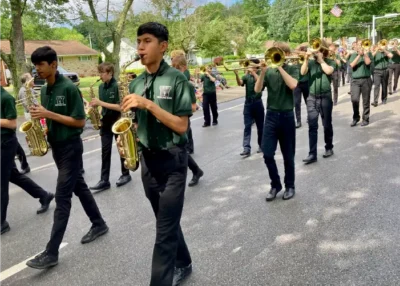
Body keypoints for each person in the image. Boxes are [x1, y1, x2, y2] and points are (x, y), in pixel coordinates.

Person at [121, 22, 193, 286]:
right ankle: (184, 261)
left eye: (147, 41)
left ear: (162, 47)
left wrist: (148, 104)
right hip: (148, 162)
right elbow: (137, 123)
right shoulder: (136, 83)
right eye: (139, 41)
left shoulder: (177, 79)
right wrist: (128, 139)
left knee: (163, 232)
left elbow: (181, 125)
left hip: (173, 160)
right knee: (165, 220)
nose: (140, 47)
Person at [26, 46, 108, 269]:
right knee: (79, 187)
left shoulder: (69, 89)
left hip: (71, 147)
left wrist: (48, 114)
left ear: (53, 64)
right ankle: (99, 223)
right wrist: (45, 128)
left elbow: (80, 122)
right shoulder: (44, 89)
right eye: (35, 66)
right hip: (57, 147)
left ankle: (51, 252)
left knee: (62, 198)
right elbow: (55, 119)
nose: (37, 70)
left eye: (41, 65)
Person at [0, 85, 54, 235]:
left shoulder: (5, 98)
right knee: (13, 175)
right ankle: (44, 195)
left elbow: (12, 124)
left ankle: (1, 222)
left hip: (5, 143)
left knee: (1, 182)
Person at [254, 42, 298, 202]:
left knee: (288, 156)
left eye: (279, 53)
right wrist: (262, 73)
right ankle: (275, 184)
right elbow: (257, 90)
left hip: (286, 116)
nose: (277, 56)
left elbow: (293, 84)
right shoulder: (269, 71)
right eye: (275, 53)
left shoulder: (292, 68)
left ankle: (290, 185)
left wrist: (280, 66)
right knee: (267, 154)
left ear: (285, 54)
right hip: (271, 116)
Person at [89, 63, 132, 192]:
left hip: (118, 120)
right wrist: (95, 107)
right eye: (99, 72)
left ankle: (126, 174)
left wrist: (101, 103)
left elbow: (120, 106)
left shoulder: (117, 86)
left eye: (102, 73)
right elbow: (104, 105)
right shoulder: (101, 87)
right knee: (105, 151)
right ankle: (104, 180)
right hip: (106, 122)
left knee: (121, 149)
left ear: (110, 73)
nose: (100, 75)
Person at [171, 55, 204, 187]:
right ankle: (196, 170)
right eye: (172, 67)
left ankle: (193, 172)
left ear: (184, 68)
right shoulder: (172, 82)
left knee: (180, 150)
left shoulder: (187, 85)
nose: (173, 70)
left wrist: (179, 110)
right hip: (171, 119)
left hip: (182, 119)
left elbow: (193, 107)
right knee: (178, 149)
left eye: (177, 68)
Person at [301, 40, 336, 164]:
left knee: (326, 124)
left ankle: (329, 147)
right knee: (312, 126)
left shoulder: (330, 61)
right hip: (312, 97)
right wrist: (306, 58)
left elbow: (328, 71)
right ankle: (312, 154)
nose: (317, 52)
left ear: (324, 51)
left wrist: (321, 61)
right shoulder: (311, 62)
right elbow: (302, 72)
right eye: (316, 50)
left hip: (325, 97)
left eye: (320, 50)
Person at [233, 61, 264, 157]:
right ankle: (246, 148)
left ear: (255, 67)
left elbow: (261, 84)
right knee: (247, 126)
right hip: (248, 103)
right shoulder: (246, 76)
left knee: (260, 126)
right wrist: (237, 75)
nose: (249, 67)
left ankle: (262, 145)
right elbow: (240, 83)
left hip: (258, 102)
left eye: (252, 66)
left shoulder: (260, 74)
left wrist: (254, 72)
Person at [348, 40, 372, 127]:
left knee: (366, 101)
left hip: (366, 80)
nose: (360, 46)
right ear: (356, 46)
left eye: (362, 44)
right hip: (355, 81)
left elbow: (368, 62)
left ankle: (365, 118)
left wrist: (364, 54)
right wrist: (359, 55)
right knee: (354, 100)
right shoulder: (353, 55)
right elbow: (352, 65)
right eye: (358, 45)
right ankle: (356, 117)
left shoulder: (368, 54)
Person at [293, 45, 309, 128]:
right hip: (296, 84)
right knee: (296, 102)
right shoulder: (293, 60)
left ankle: (309, 117)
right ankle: (298, 120)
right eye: (296, 51)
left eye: (298, 51)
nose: (297, 53)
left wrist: (304, 57)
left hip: (306, 82)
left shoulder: (306, 58)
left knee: (308, 101)